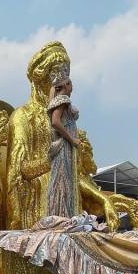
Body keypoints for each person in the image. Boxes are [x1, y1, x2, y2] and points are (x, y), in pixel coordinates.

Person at [46, 63, 81, 218]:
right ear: (67, 84)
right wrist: (72, 138)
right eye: (71, 83)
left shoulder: (59, 99)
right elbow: (55, 122)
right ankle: (61, 214)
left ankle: (62, 213)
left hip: (65, 146)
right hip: (63, 145)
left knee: (63, 179)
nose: (72, 86)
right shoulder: (62, 99)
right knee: (62, 179)